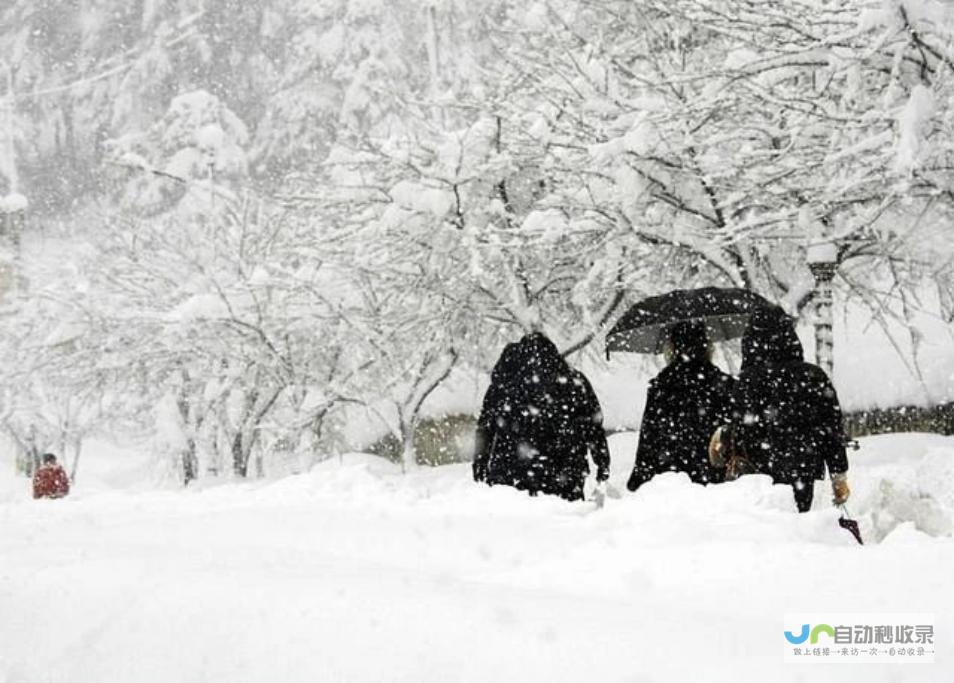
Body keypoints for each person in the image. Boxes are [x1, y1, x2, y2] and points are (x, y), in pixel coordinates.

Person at [725, 307, 850, 513]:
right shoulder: (813, 377)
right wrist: (839, 476)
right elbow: (831, 430)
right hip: (804, 469)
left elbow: (740, 431)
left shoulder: (746, 382)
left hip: (759, 478)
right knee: (801, 523)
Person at [473, 332, 610, 501]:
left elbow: (486, 426)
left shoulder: (504, 384)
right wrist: (602, 462)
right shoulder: (574, 382)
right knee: (566, 523)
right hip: (564, 472)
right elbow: (593, 426)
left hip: (510, 474)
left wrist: (480, 461)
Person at [627, 321, 735, 492]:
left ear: (672, 348)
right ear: (707, 347)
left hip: (671, 482)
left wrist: (639, 479)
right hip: (715, 481)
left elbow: (649, 437)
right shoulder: (722, 385)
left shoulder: (661, 388)